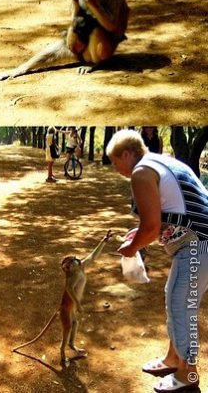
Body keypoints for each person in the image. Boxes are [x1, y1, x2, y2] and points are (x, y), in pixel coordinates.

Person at [107, 129, 208, 393]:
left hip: (197, 243)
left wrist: (132, 248)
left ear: (126, 154)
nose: (116, 169)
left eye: (115, 162)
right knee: (177, 299)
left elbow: (150, 228)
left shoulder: (141, 171)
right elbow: (168, 214)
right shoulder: (164, 161)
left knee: (180, 305)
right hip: (199, 241)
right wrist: (138, 235)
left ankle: (188, 378)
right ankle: (173, 359)